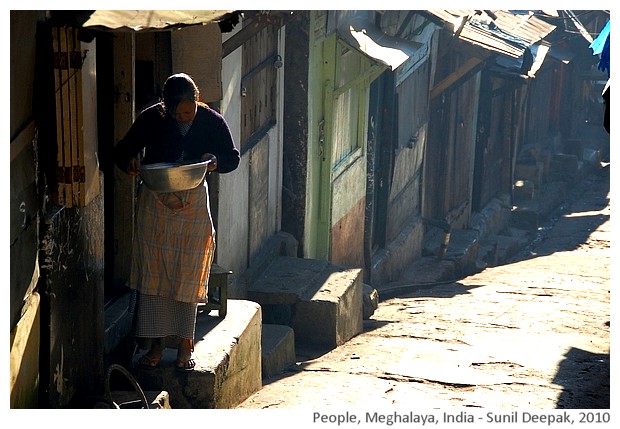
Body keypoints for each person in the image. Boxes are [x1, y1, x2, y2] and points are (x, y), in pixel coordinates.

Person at [114, 73, 240, 371]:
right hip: (155, 200)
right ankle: (156, 345)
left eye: (188, 111)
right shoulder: (152, 118)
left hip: (193, 201)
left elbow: (232, 157)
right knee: (155, 273)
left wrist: (214, 160)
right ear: (165, 107)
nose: (183, 117)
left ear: (197, 100)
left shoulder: (211, 121)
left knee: (187, 272)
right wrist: (129, 161)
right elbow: (123, 149)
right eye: (176, 113)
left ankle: (185, 344)